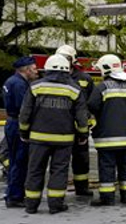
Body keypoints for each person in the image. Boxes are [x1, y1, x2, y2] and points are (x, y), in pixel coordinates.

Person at [19, 54, 89, 214]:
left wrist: (23, 131)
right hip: (64, 140)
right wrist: (83, 136)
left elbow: (25, 114)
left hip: (38, 138)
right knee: (59, 171)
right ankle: (55, 205)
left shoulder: (35, 87)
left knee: (35, 170)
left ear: (48, 69)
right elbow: (82, 118)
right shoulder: (74, 89)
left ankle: (31, 205)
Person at [88, 54, 126, 206]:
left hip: (106, 137)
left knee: (107, 167)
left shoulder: (102, 88)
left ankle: (107, 198)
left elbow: (92, 106)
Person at [56, 45, 95, 197]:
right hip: (61, 126)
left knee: (81, 160)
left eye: (67, 58)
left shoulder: (85, 78)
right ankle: (58, 190)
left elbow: (91, 102)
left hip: (80, 128)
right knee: (60, 161)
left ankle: (82, 188)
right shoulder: (54, 78)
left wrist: (86, 120)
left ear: (73, 60)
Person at [2, 56, 38, 208]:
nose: (36, 71)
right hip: (17, 124)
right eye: (34, 69)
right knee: (20, 161)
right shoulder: (19, 85)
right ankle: (15, 196)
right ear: (27, 69)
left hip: (12, 122)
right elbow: (24, 108)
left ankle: (13, 193)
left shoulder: (12, 81)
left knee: (15, 159)